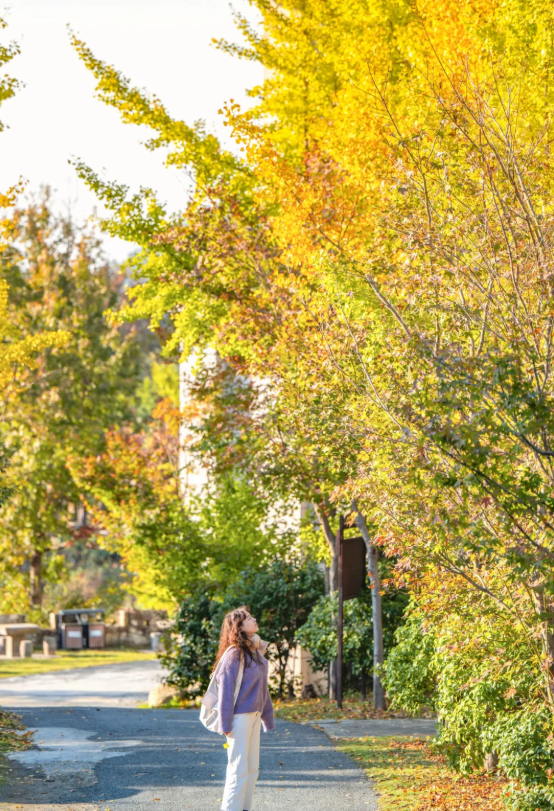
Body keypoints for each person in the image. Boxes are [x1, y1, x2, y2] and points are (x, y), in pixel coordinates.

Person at [215, 605, 275, 811]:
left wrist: (267, 717)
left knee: (251, 769)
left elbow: (261, 687)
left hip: (254, 716)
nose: (254, 619)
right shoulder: (234, 654)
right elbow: (226, 689)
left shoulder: (254, 650)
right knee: (238, 770)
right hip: (239, 719)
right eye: (249, 618)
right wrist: (225, 723)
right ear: (239, 626)